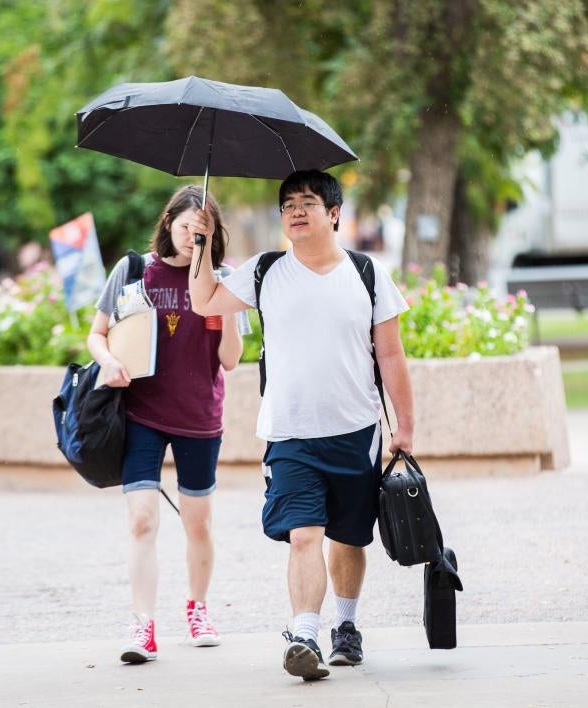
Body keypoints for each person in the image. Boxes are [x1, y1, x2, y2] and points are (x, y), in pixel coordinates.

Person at [187, 170, 415, 682]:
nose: (295, 210)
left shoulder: (368, 273)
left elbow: (392, 354)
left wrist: (405, 425)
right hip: (289, 433)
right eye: (288, 203)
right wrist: (201, 243)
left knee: (350, 538)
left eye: (307, 202)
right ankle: (305, 633)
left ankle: (347, 628)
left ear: (334, 213)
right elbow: (204, 302)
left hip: (356, 429)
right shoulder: (265, 270)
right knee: (304, 534)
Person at [87, 185, 246, 664]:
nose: (190, 238)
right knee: (141, 520)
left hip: (199, 417)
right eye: (184, 227)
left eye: (201, 232)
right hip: (142, 414)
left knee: (198, 525)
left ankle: (198, 608)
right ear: (168, 223)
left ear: (212, 235)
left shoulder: (223, 281)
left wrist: (227, 306)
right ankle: (142, 625)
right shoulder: (133, 272)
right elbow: (96, 335)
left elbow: (231, 361)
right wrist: (109, 361)